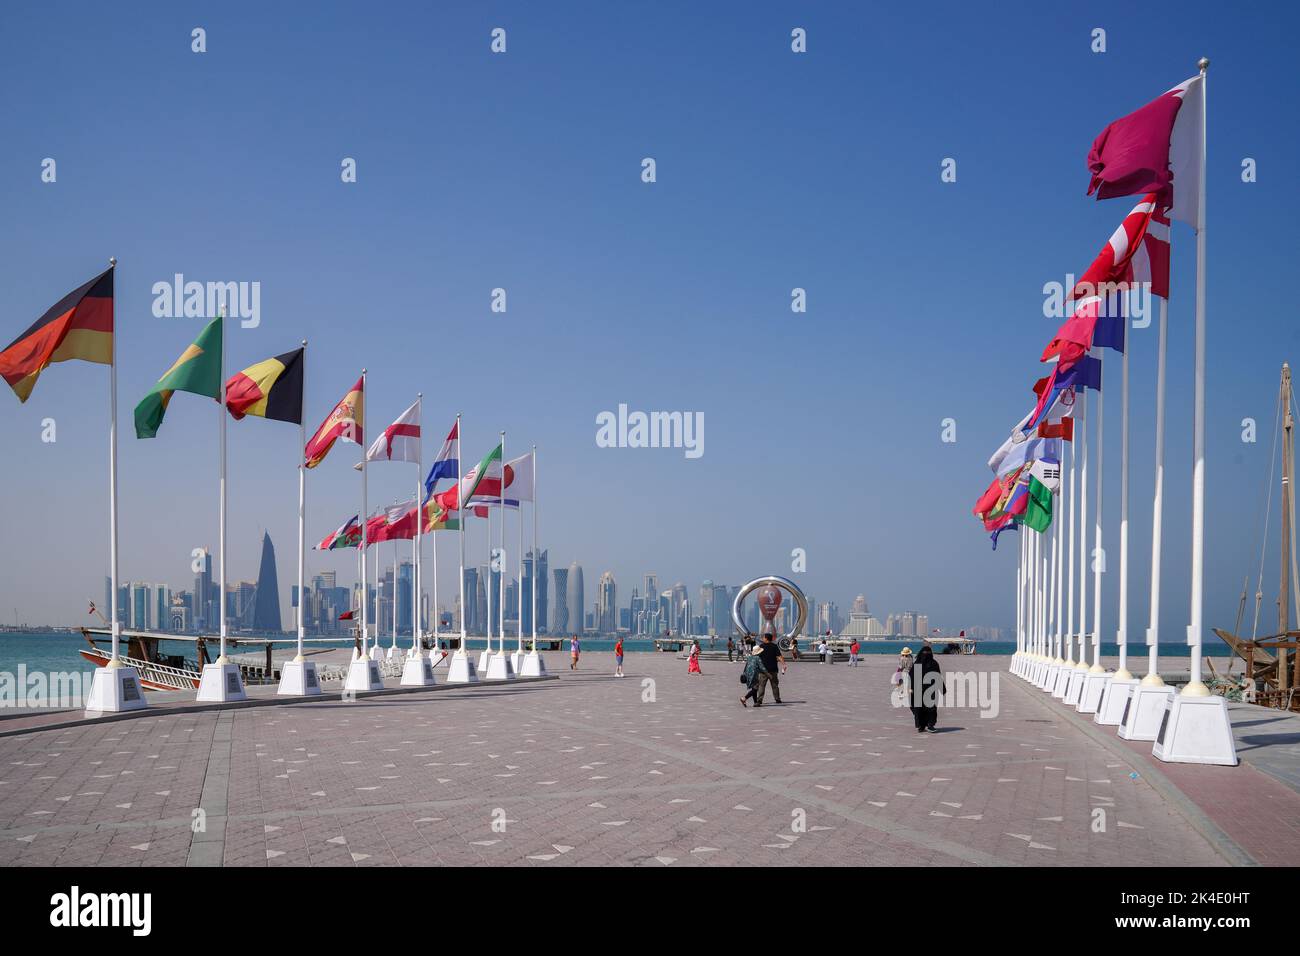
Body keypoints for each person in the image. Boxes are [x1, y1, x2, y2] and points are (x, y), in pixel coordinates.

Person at [907, 644, 944, 733]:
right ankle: (922, 725)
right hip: (918, 690)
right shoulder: (918, 663)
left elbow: (938, 676)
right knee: (918, 708)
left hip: (930, 690)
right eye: (925, 653)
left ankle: (930, 725)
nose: (926, 654)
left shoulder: (933, 663)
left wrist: (942, 688)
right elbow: (912, 676)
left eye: (928, 653)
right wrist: (911, 688)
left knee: (930, 708)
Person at [753, 633, 786, 705]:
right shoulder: (774, 646)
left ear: (766, 638)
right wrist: (783, 664)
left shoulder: (761, 646)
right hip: (773, 669)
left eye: (764, 637)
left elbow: (756, 656)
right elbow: (779, 656)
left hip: (763, 670)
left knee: (762, 685)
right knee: (775, 685)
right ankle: (777, 699)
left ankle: (759, 700)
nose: (763, 639)